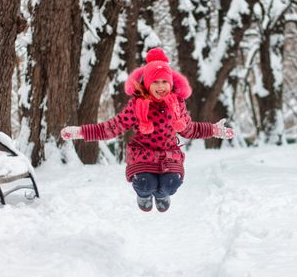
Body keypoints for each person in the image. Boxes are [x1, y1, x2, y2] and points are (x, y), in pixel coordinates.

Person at [61, 47, 234, 212]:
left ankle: (162, 195)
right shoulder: (137, 105)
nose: (161, 86)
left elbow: (189, 129)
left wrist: (214, 130)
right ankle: (144, 195)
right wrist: (80, 132)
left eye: (165, 81)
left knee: (171, 184)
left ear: (171, 83)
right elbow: (112, 128)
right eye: (156, 82)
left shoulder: (177, 105)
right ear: (147, 84)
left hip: (169, 155)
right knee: (145, 184)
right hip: (143, 155)